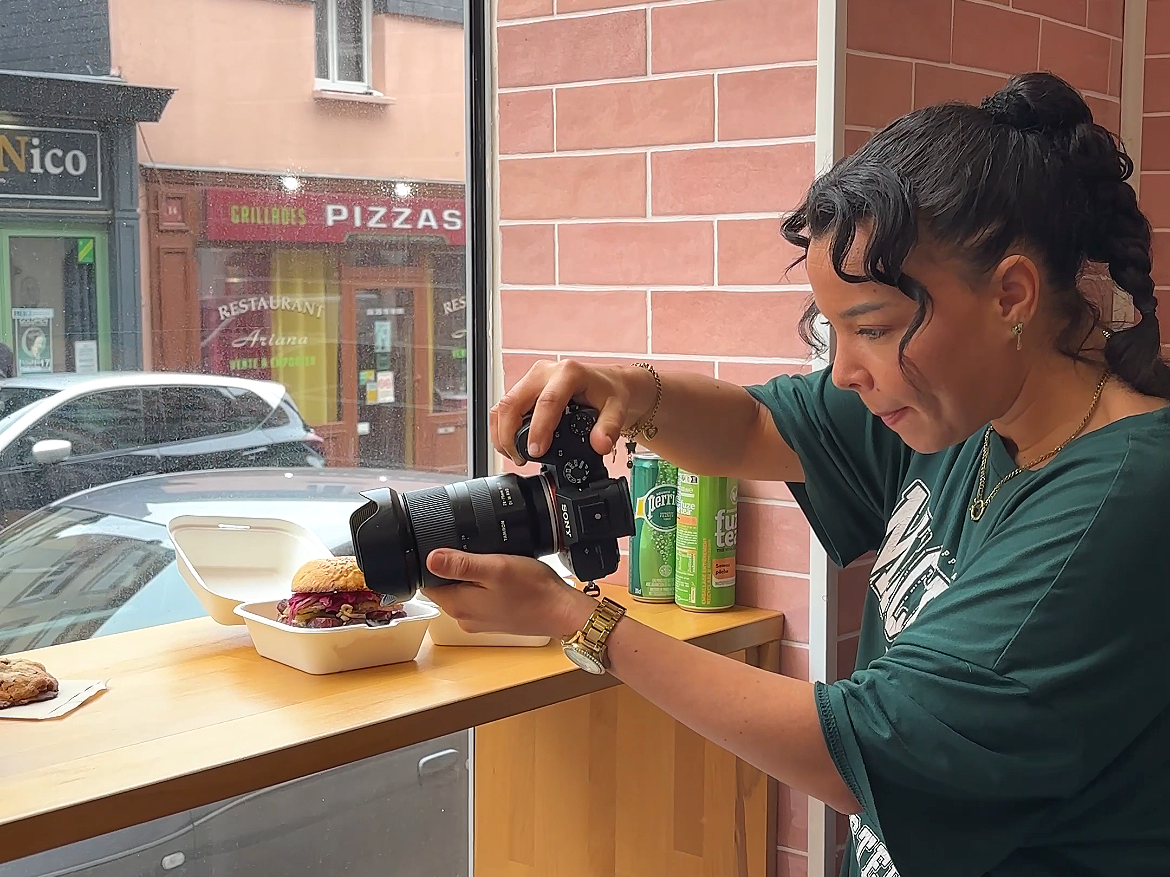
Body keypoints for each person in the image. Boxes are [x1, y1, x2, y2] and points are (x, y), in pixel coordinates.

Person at [421, 71, 1170, 876]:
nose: (845, 372)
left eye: (873, 328)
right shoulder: (966, 407)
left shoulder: (1122, 498)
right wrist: (627, 392)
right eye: (830, 330)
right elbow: (756, 425)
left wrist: (577, 620)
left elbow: (864, 746)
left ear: (1010, 295)